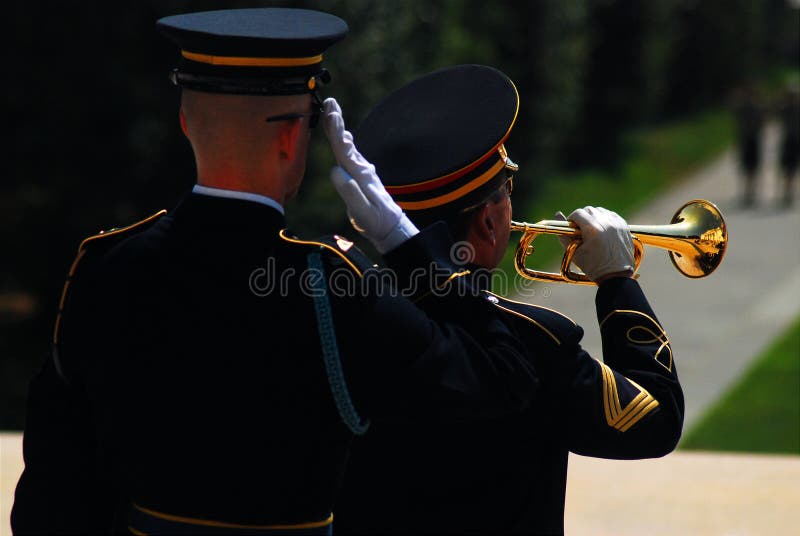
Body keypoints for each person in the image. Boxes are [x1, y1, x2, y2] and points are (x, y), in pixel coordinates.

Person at [11, 13, 543, 534]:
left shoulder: (104, 266)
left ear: (184, 121)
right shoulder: (330, 288)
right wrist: (406, 245)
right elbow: (502, 379)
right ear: (292, 137)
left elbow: (52, 487)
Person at [323, 65, 685, 534]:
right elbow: (656, 420)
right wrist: (618, 281)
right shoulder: (534, 341)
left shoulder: (341, 318)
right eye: (507, 192)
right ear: (490, 223)